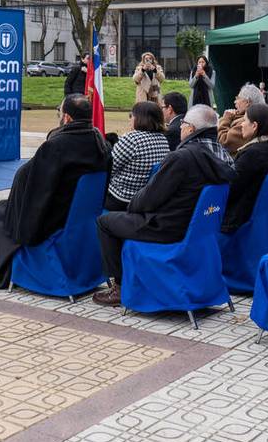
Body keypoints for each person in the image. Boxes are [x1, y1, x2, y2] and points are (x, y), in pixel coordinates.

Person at [92, 105, 236, 306]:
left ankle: (120, 287)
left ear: (191, 129)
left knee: (104, 222)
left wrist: (133, 206)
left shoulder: (182, 157)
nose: (180, 128)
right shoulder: (224, 156)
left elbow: (148, 199)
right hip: (200, 229)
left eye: (184, 124)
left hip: (168, 227)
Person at [0, 94, 111, 289]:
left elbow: (38, 194)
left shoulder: (57, 146)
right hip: (81, 216)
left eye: (60, 112)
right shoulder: (100, 143)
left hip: (55, 218)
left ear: (67, 117)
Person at [221, 104, 268, 232]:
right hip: (260, 215)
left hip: (238, 220)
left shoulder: (252, 153)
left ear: (254, 126)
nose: (241, 125)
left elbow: (229, 190)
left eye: (244, 120)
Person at [105, 102, 170, 211]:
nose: (130, 119)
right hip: (145, 197)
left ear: (139, 118)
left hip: (121, 199)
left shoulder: (131, 139)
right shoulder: (163, 139)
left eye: (131, 115)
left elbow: (109, 168)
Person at [218, 83, 265, 156]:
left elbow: (224, 142)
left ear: (247, 102)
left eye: (238, 98)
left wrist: (226, 119)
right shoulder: (260, 116)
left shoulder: (247, 123)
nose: (235, 102)